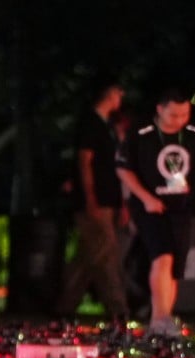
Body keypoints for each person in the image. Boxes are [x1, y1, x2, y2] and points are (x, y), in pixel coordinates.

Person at [116, 87, 195, 337]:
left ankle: (164, 318)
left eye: (185, 114)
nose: (179, 120)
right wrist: (146, 198)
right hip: (150, 206)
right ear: (160, 110)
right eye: (173, 115)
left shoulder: (194, 135)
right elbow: (123, 169)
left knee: (174, 265)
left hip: (181, 207)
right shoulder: (142, 134)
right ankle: (159, 317)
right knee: (162, 257)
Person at [55, 81, 129, 319]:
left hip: (108, 199)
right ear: (109, 94)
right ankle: (118, 310)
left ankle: (65, 306)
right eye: (118, 92)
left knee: (89, 255)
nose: (121, 97)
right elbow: (85, 162)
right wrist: (91, 198)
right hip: (96, 201)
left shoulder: (105, 126)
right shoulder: (91, 124)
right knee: (107, 253)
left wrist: (120, 202)